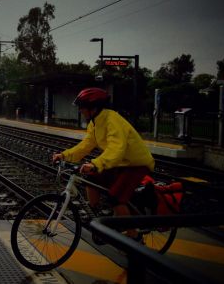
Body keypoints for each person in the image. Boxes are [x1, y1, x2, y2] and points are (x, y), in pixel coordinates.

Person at [52, 87, 154, 240]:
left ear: (93, 107)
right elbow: (85, 145)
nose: (80, 110)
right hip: (119, 163)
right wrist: (64, 155)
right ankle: (95, 216)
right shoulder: (94, 123)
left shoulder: (112, 120)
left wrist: (95, 164)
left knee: (116, 198)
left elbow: (116, 149)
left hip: (135, 164)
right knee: (91, 178)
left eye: (82, 107)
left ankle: (134, 237)